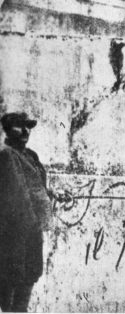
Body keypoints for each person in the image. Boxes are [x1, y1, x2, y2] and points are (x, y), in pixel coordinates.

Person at [0, 112, 66, 312]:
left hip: (32, 230)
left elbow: (35, 185)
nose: (25, 131)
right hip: (15, 232)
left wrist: (53, 193)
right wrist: (31, 226)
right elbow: (17, 194)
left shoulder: (30, 155)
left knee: (28, 276)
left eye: (28, 126)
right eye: (20, 126)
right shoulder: (6, 155)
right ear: (7, 129)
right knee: (12, 279)